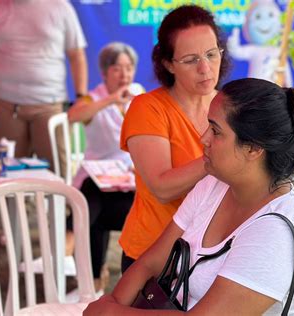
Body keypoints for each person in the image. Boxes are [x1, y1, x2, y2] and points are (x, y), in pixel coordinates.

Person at [84, 78, 294, 315]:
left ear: (254, 148)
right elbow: (151, 263)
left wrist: (111, 311)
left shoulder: (276, 232)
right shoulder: (214, 185)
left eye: (215, 131)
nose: (203, 139)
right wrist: (113, 303)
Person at [118, 4, 230, 272]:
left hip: (209, 255)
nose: (205, 68)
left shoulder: (230, 106)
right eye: (191, 60)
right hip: (153, 257)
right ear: (168, 64)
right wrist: (219, 155)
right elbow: (161, 187)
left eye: (211, 54)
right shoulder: (148, 108)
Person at [0, 0, 88, 176]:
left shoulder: (61, 7)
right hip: (3, 106)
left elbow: (77, 55)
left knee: (57, 172)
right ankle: (17, 205)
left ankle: (58, 205)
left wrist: (82, 97)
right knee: (6, 174)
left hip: (49, 106)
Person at [66, 42, 144, 295]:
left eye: (129, 68)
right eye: (117, 69)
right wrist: (112, 99)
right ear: (104, 73)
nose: (124, 75)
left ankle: (89, 277)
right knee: (91, 201)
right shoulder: (94, 98)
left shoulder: (139, 94)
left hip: (130, 182)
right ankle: (92, 279)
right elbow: (73, 116)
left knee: (90, 217)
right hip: (97, 179)